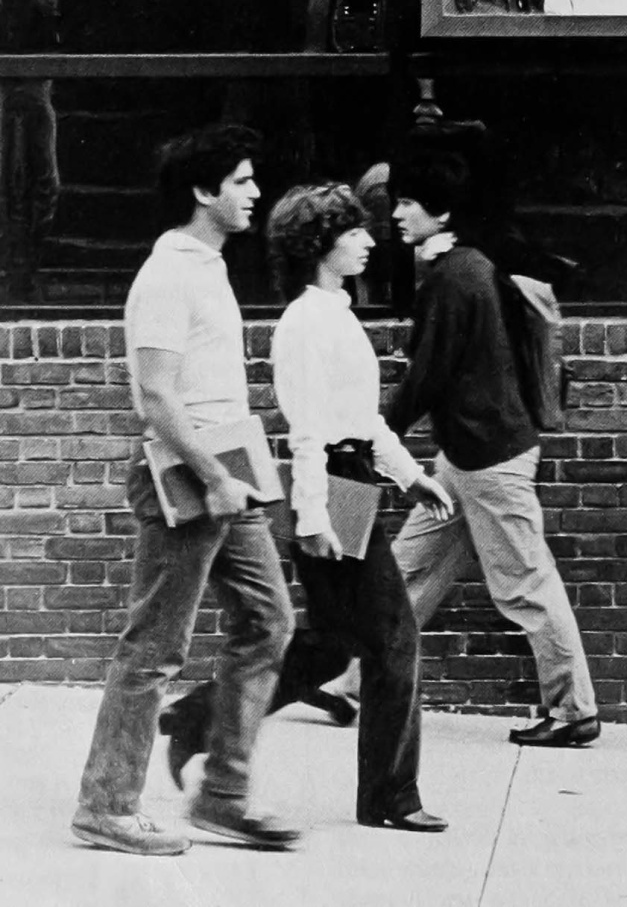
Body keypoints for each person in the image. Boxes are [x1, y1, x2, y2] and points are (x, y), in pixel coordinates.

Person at [159, 184, 456, 831]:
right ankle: (389, 797)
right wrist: (316, 517)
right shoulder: (303, 323)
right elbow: (307, 431)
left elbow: (363, 418)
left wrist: (409, 476)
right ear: (321, 242)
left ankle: (195, 718)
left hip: (350, 482)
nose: (370, 241)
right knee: (394, 640)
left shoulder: (337, 312)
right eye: (354, 231)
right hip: (329, 485)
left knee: (330, 644)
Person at [72, 124, 299, 856]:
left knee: (268, 621)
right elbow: (157, 399)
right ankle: (106, 804)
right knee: (154, 648)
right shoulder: (167, 272)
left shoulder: (209, 265)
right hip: (190, 479)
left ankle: (224, 796)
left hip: (223, 477)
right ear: (204, 192)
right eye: (242, 180)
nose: (255, 193)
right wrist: (215, 475)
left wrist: (229, 475)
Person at [378, 129, 600, 747]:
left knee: (525, 585)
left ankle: (573, 710)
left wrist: (380, 434)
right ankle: (347, 685)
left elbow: (428, 374)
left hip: (489, 458)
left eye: (408, 204)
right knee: (408, 573)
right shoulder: (468, 267)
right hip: (467, 456)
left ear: (441, 212)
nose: (396, 214)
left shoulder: (454, 280)